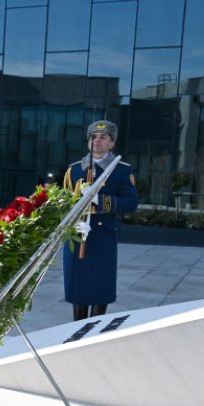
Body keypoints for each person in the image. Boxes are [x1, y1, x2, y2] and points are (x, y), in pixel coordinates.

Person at [62, 120, 138, 321]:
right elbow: (64, 202)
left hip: (103, 237)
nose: (96, 140)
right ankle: (76, 328)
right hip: (77, 235)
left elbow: (130, 203)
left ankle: (94, 329)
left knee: (99, 287)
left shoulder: (121, 170)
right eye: (93, 137)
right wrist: (73, 220)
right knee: (77, 286)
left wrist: (99, 200)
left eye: (103, 137)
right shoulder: (74, 169)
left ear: (111, 143)